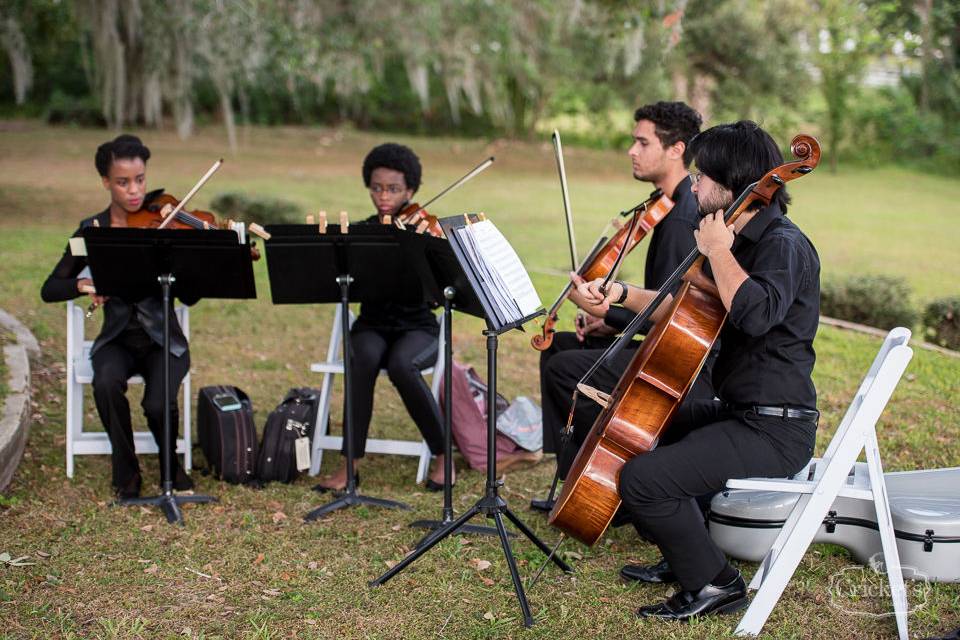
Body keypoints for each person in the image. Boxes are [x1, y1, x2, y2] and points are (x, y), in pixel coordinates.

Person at [576, 121, 820, 620]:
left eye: (704, 176)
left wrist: (719, 252)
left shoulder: (782, 245)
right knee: (640, 429)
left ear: (733, 184)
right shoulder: (732, 238)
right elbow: (682, 305)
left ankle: (717, 585)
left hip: (775, 427)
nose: (693, 185)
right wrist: (617, 294)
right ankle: (686, 552)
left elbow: (754, 315)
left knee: (644, 479)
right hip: (738, 411)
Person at [535, 101, 713, 510]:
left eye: (641, 142)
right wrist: (609, 322)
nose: (632, 151)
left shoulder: (684, 217)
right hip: (658, 336)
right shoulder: (665, 206)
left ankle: (605, 483)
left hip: (677, 359)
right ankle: (572, 471)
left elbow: (674, 312)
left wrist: (607, 310)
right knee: (560, 347)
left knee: (565, 369)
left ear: (675, 149)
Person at [41, 134, 195, 500]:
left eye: (140, 179)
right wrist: (83, 284)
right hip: (117, 339)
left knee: (158, 403)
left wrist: (191, 262)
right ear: (106, 182)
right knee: (106, 383)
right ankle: (126, 474)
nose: (134, 190)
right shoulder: (92, 232)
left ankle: (171, 468)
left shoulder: (164, 225)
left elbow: (192, 294)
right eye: (123, 182)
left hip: (163, 340)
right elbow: (50, 288)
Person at [314, 143, 450, 492]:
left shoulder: (424, 230)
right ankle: (350, 465)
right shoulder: (361, 233)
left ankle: (442, 454)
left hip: (417, 327)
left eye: (393, 189)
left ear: (411, 190)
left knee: (404, 365)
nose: (383, 196)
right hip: (373, 325)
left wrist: (430, 253)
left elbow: (442, 292)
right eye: (376, 188)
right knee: (362, 358)